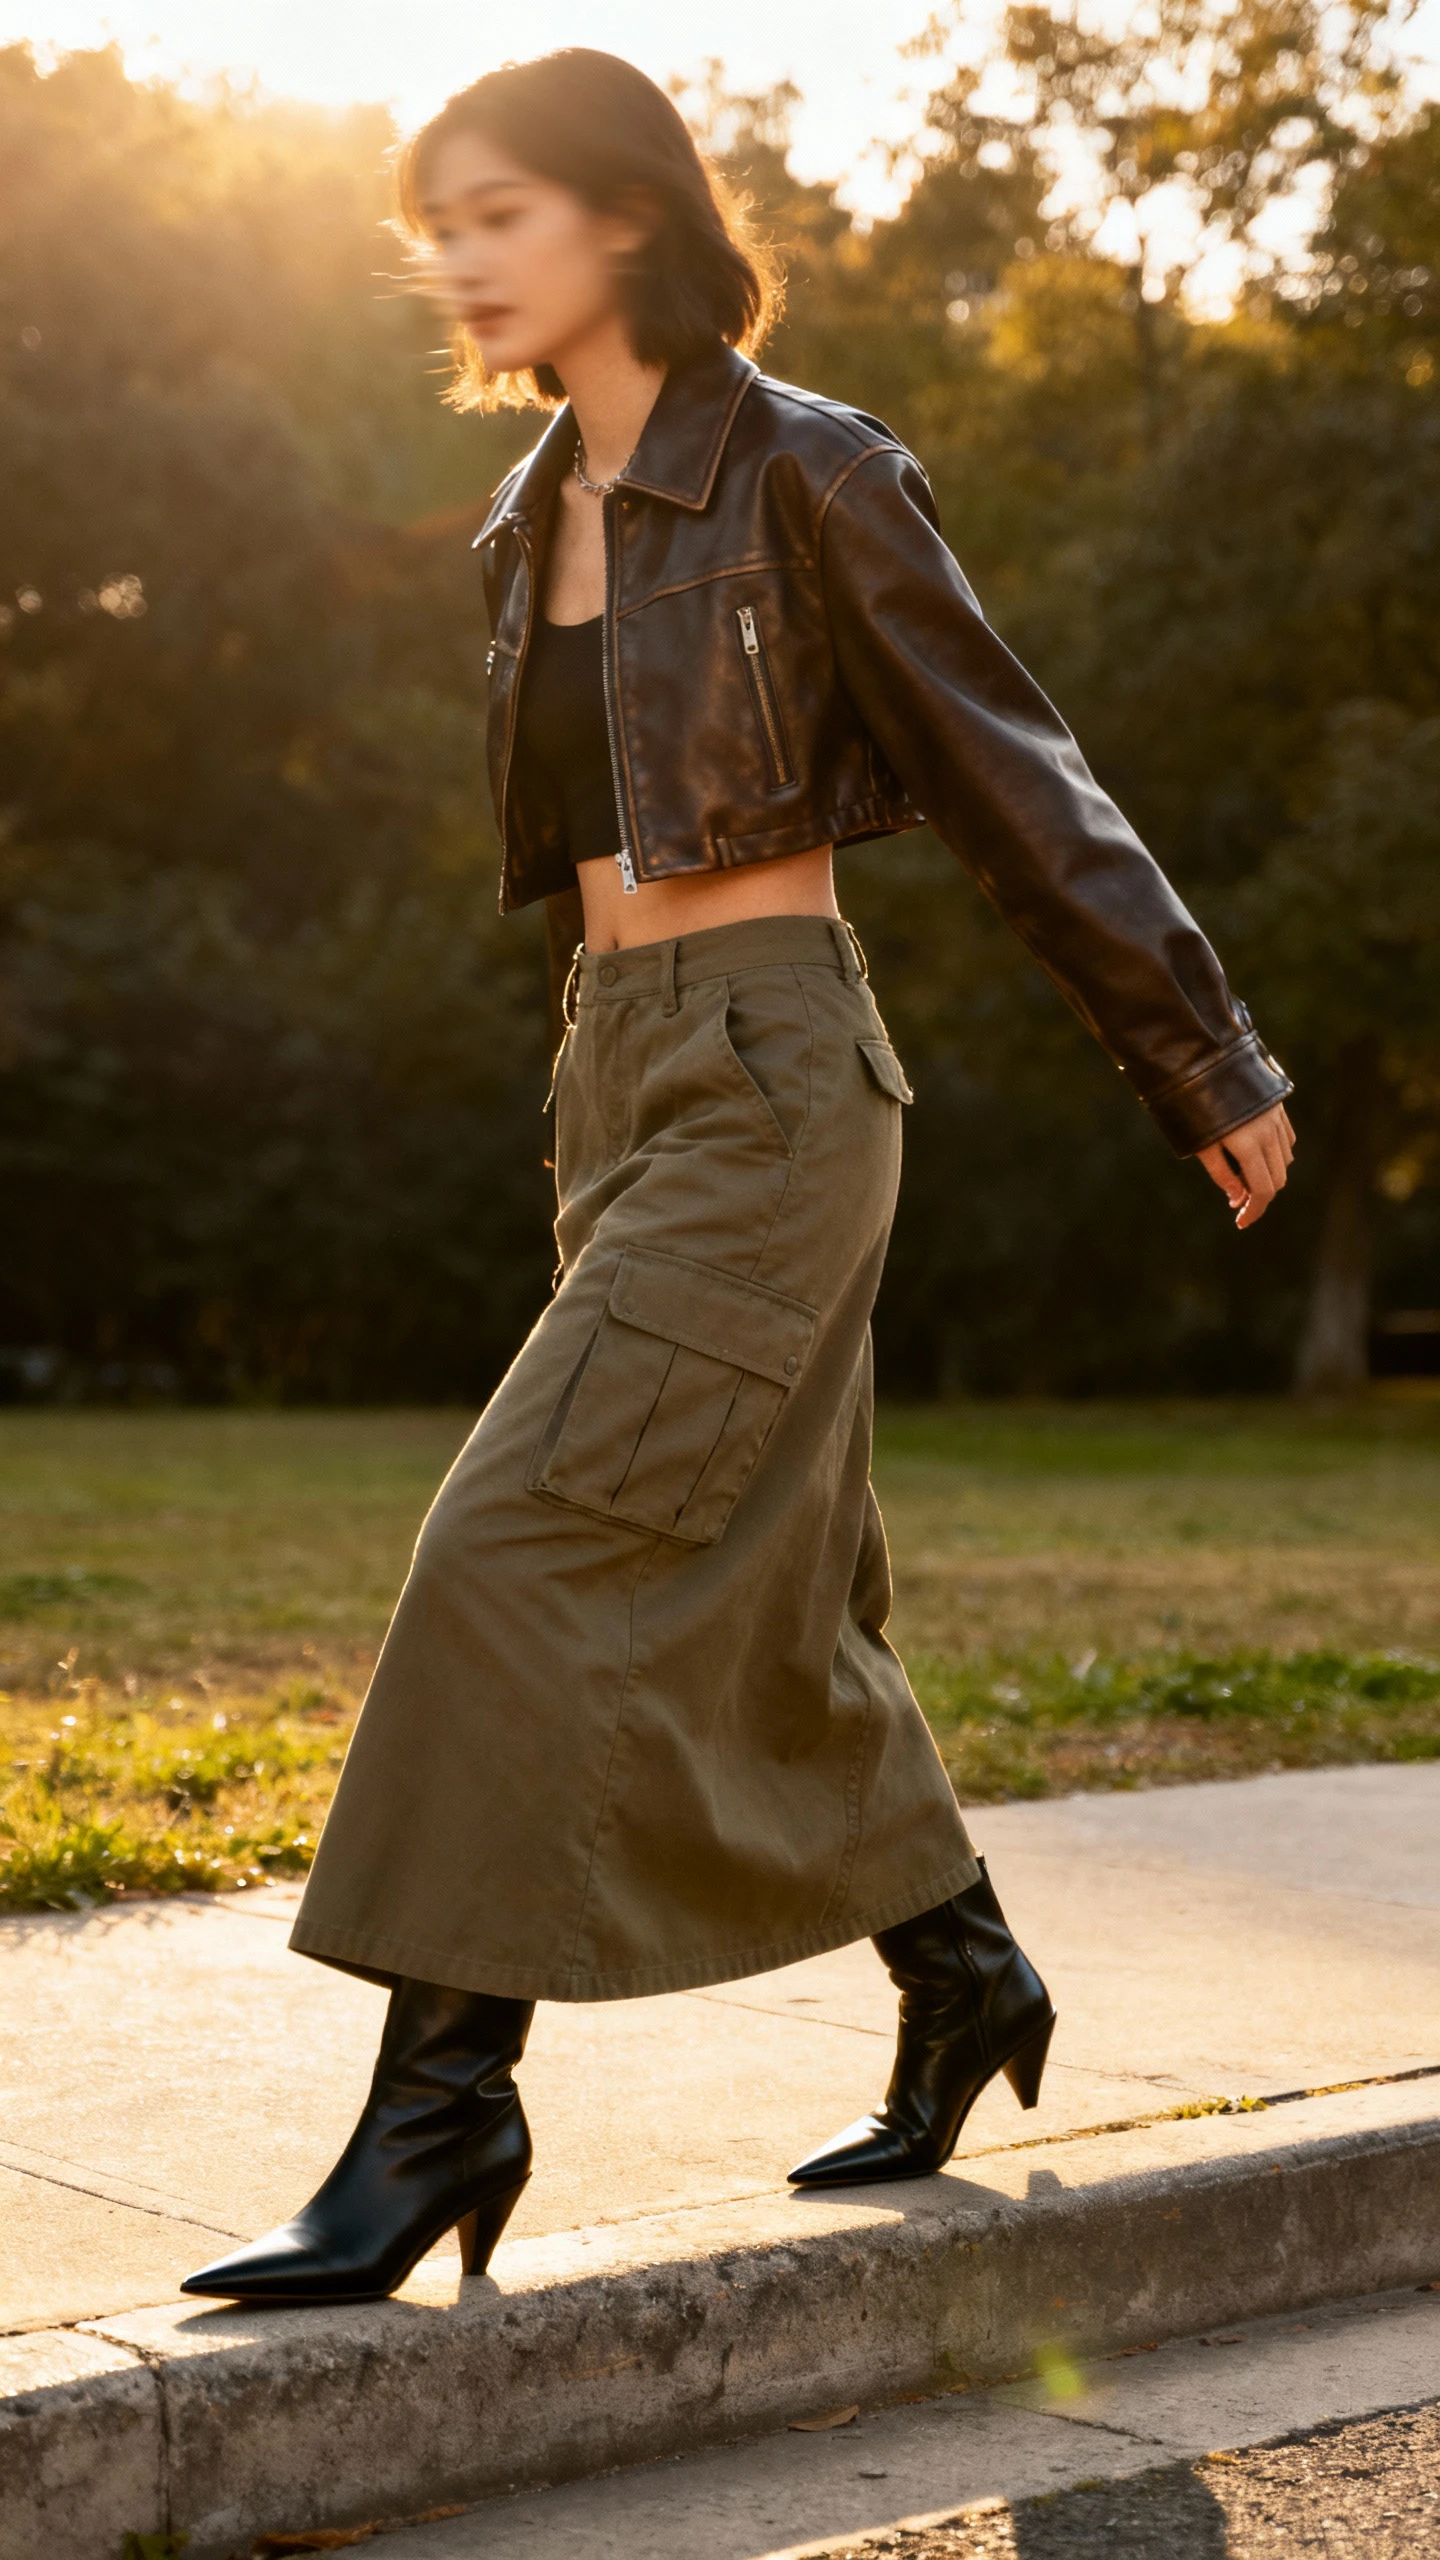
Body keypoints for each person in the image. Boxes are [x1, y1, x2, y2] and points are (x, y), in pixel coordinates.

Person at [183, 49, 1294, 2306]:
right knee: (782, 1593)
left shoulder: (806, 469)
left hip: (779, 1072)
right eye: (441, 223)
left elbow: (1016, 768)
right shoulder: (531, 516)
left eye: (498, 213)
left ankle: (439, 2108)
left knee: (520, 1536)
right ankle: (967, 1974)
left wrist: (1198, 1046)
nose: (457, 259)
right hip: (617, 1075)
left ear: (620, 217)